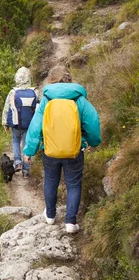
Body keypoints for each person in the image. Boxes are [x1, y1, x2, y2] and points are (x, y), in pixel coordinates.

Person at [23, 66, 101, 233]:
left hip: (49, 151)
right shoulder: (79, 100)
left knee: (51, 181)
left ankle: (50, 216)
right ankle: (71, 222)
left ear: (50, 81)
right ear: (69, 79)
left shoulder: (46, 100)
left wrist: (29, 151)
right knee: (73, 184)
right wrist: (92, 142)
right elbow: (93, 123)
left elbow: (35, 127)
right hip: (74, 150)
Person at [1, 67, 39, 178]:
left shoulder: (13, 92)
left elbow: (6, 108)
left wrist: (5, 123)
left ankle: (17, 162)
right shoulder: (35, 92)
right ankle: (26, 171)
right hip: (29, 125)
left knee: (15, 141)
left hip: (16, 124)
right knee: (27, 145)